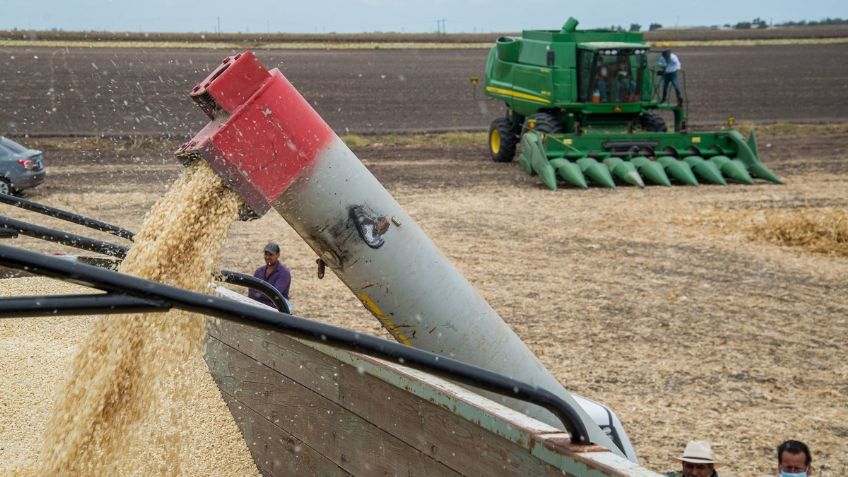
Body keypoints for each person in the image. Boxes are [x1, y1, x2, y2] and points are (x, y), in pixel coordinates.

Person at [247, 242, 292, 310]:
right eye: (266, 254)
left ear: (278, 255)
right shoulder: (259, 271)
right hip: (257, 308)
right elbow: (251, 292)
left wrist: (258, 294)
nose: (267, 257)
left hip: (276, 310)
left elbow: (275, 294)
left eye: (271, 255)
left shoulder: (284, 273)